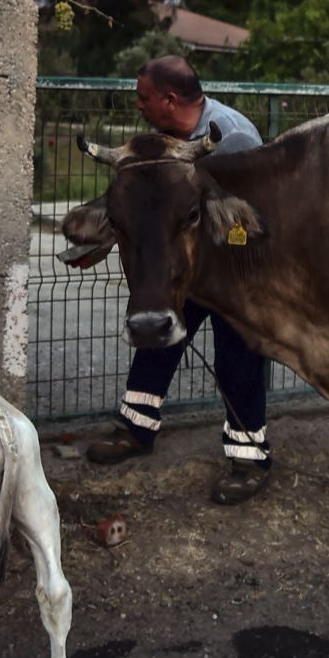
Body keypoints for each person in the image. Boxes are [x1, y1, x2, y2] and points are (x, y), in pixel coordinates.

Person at [77, 56, 275, 504]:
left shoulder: (232, 136)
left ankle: (250, 457)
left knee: (238, 359)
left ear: (169, 99)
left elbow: (245, 217)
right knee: (157, 338)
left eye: (143, 97)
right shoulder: (164, 140)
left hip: (235, 271)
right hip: (187, 270)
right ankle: (136, 428)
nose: (138, 105)